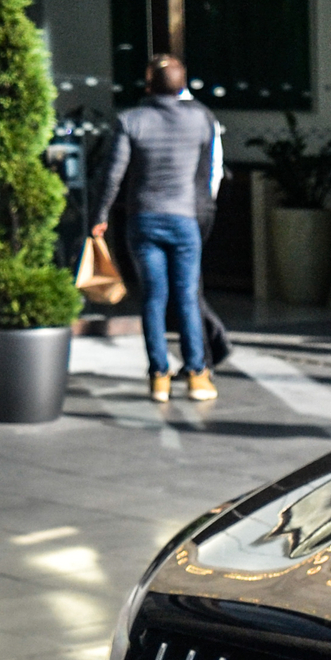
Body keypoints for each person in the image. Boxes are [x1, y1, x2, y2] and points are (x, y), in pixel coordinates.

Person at [90, 54, 225, 402]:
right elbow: (207, 174)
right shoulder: (201, 121)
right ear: (182, 87)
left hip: (144, 219)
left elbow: (113, 174)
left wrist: (100, 214)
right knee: (187, 298)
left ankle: (159, 377)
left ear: (148, 85)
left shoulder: (131, 120)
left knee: (153, 298)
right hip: (185, 220)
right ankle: (197, 375)